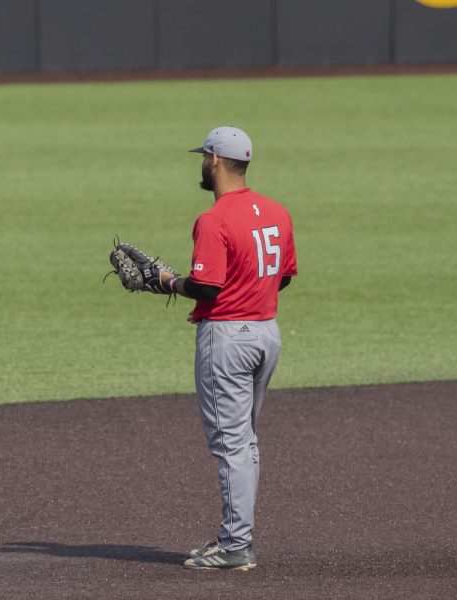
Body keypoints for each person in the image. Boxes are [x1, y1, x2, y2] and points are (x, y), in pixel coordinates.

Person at [160, 126, 297, 571]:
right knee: (245, 442)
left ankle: (236, 545)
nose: (202, 163)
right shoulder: (277, 211)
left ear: (216, 161)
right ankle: (232, 537)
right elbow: (285, 275)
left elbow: (204, 284)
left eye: (204, 157)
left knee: (231, 444)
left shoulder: (214, 219)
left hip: (228, 340)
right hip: (266, 334)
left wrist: (165, 283)